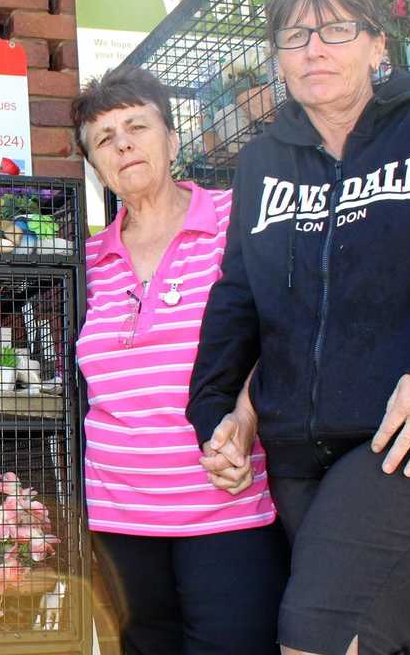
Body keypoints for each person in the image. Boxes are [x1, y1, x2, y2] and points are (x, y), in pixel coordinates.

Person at [188, 0, 410, 655]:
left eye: (337, 29)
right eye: (295, 36)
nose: (315, 48)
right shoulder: (262, 163)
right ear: (278, 60)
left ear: (379, 44)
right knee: (397, 639)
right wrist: (216, 412)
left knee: (318, 635)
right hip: (303, 454)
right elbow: (237, 298)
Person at [72, 62, 288, 654]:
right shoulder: (86, 260)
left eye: (136, 126)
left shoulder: (235, 219)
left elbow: (285, 333)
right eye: (103, 139)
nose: (122, 144)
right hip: (119, 518)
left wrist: (245, 418)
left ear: (171, 139)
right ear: (95, 167)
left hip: (225, 504)